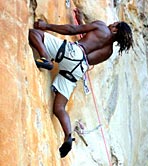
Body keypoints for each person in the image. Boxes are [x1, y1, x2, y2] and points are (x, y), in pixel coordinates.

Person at [28, 9, 133, 158]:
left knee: (34, 34)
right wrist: (83, 22)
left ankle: (45, 57)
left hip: (74, 52)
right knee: (59, 107)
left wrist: (46, 26)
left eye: (114, 24)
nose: (111, 24)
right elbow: (88, 54)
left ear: (116, 30)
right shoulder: (108, 52)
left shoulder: (102, 27)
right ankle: (68, 135)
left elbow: (73, 29)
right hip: (79, 68)